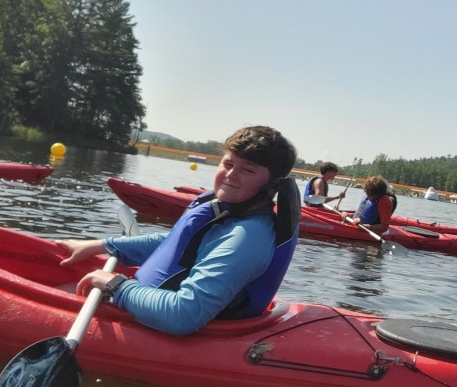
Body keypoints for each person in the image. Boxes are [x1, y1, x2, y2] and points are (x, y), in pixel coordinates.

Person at [58, 125, 300, 335]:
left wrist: (117, 286)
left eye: (248, 170)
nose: (231, 175)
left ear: (272, 186)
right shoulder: (228, 213)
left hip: (177, 326)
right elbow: (176, 244)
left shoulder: (246, 239)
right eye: (228, 164)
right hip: (146, 302)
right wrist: (104, 245)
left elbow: (183, 316)